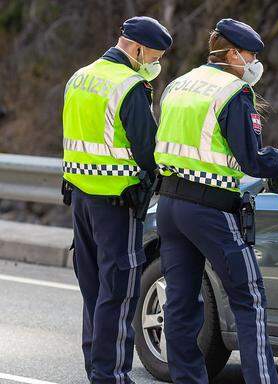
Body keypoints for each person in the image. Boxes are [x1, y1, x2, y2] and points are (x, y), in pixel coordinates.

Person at [154, 18, 278, 384]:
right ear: (233, 53)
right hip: (209, 209)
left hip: (169, 205)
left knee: (181, 306)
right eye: (250, 55)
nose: (254, 64)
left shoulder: (177, 85)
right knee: (250, 299)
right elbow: (253, 160)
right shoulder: (233, 93)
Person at [61, 16, 171, 383]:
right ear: (138, 49)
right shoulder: (130, 86)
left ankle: (96, 368)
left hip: (79, 198)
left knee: (93, 290)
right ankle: (112, 375)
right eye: (154, 56)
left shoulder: (80, 76)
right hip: (116, 201)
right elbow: (148, 150)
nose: (155, 65)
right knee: (120, 292)